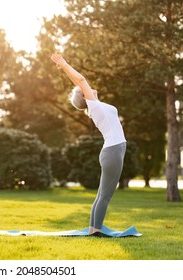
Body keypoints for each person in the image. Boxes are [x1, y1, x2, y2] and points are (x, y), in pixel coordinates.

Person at [50, 53, 126, 234]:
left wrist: (65, 68)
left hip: (112, 151)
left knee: (102, 195)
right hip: (113, 152)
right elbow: (81, 80)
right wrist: (65, 65)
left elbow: (82, 83)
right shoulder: (95, 106)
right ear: (85, 97)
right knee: (105, 196)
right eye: (86, 90)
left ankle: (93, 228)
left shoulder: (96, 106)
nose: (90, 88)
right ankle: (96, 230)